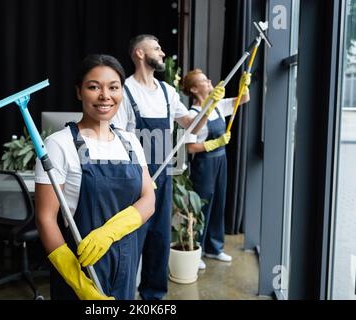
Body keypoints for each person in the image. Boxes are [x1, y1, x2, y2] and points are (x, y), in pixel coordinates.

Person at [111, 34, 225, 300]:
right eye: (156, 48)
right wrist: (137, 175)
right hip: (136, 179)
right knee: (132, 240)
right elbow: (117, 138)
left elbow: (193, 126)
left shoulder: (167, 92)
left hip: (164, 178)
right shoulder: (125, 91)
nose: (162, 52)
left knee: (160, 239)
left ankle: (153, 297)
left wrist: (208, 107)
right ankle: (123, 297)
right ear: (140, 53)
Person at [34, 54, 155, 300]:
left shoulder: (130, 141)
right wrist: (79, 283)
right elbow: (45, 218)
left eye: (114, 87)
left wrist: (110, 231)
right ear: (79, 92)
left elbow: (149, 198)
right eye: (93, 87)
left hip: (126, 260)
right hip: (81, 265)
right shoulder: (58, 144)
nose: (105, 96)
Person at [181, 68, 251, 270]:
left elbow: (243, 99)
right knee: (202, 206)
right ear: (194, 89)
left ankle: (214, 247)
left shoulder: (218, 105)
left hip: (221, 160)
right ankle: (197, 248)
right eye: (204, 80)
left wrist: (244, 84)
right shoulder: (192, 115)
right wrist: (213, 143)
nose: (210, 80)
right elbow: (191, 147)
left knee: (219, 202)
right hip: (204, 163)